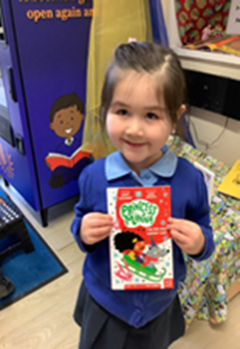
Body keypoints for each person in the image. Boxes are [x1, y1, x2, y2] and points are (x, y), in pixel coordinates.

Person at [71, 42, 215, 349]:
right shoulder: (93, 177)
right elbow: (80, 218)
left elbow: (205, 229)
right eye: (122, 111)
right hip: (105, 302)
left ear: (176, 117)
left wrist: (199, 241)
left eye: (151, 115)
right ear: (105, 108)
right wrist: (83, 232)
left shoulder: (190, 179)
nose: (134, 129)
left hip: (159, 306)